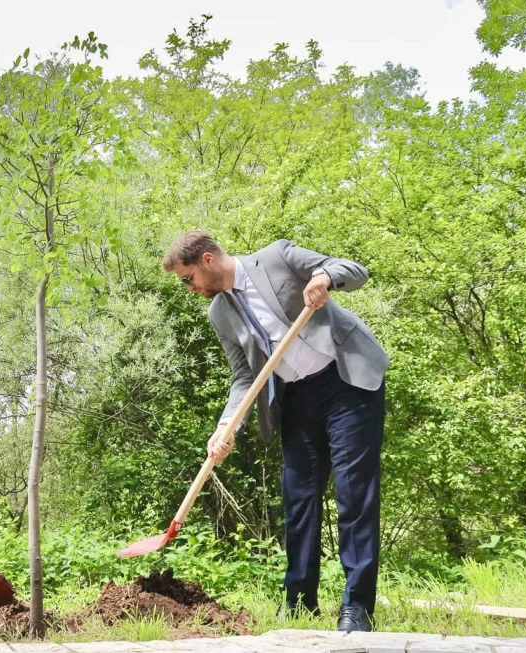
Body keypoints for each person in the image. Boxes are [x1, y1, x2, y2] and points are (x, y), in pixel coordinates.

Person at [162, 231, 388, 632]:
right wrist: (225, 427)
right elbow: (244, 377)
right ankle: (300, 602)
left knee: (354, 494)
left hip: (347, 381)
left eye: (187, 278)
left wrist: (324, 279)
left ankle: (356, 608)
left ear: (208, 260)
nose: (189, 288)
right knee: (298, 498)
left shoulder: (277, 257)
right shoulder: (219, 312)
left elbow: (352, 269)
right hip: (297, 398)